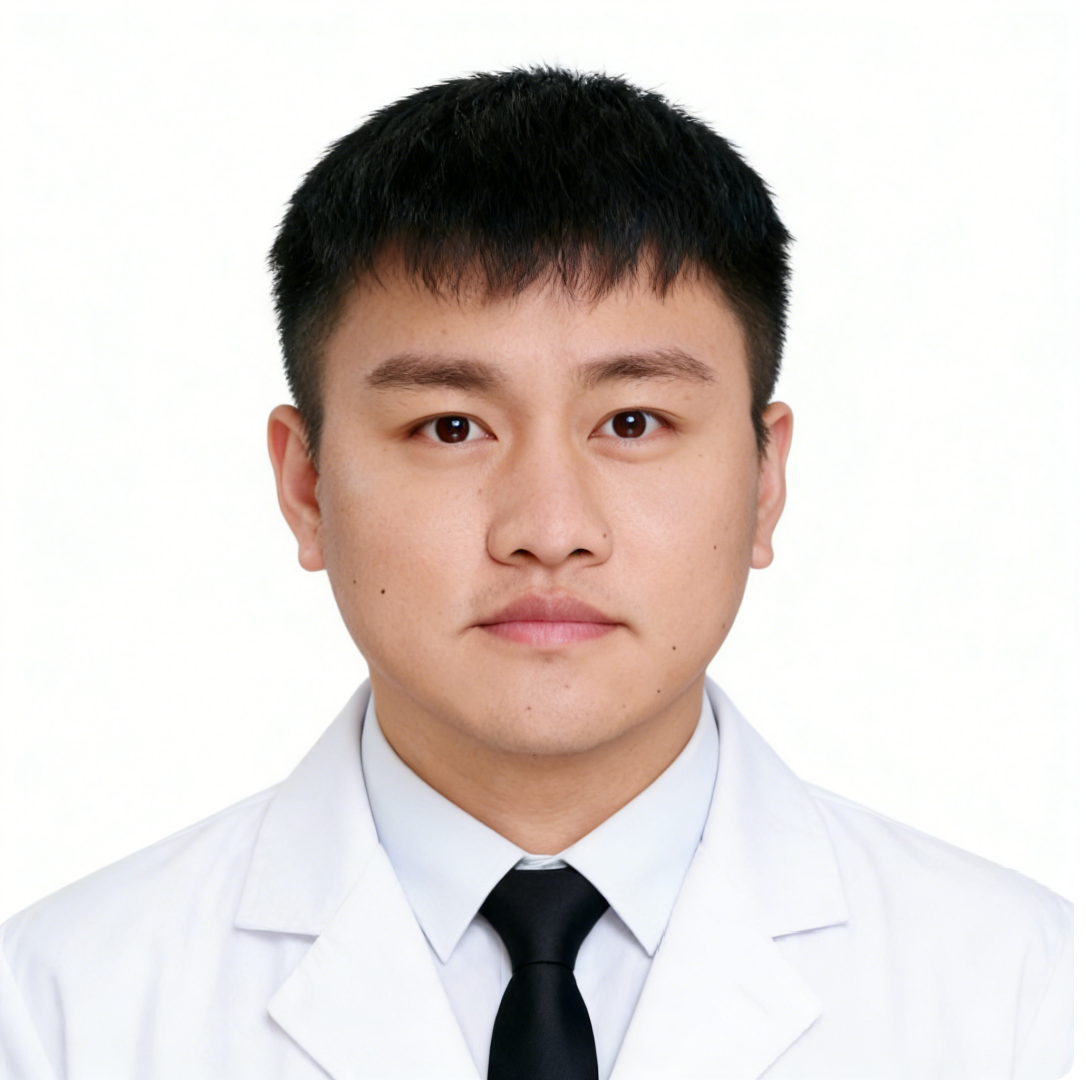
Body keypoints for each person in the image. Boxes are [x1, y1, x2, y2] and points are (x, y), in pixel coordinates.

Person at [0, 67, 1072, 1080]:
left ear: (764, 478)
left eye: (634, 422)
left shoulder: (1027, 995)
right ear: (307, 485)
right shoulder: (57, 1011)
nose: (550, 531)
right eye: (450, 426)